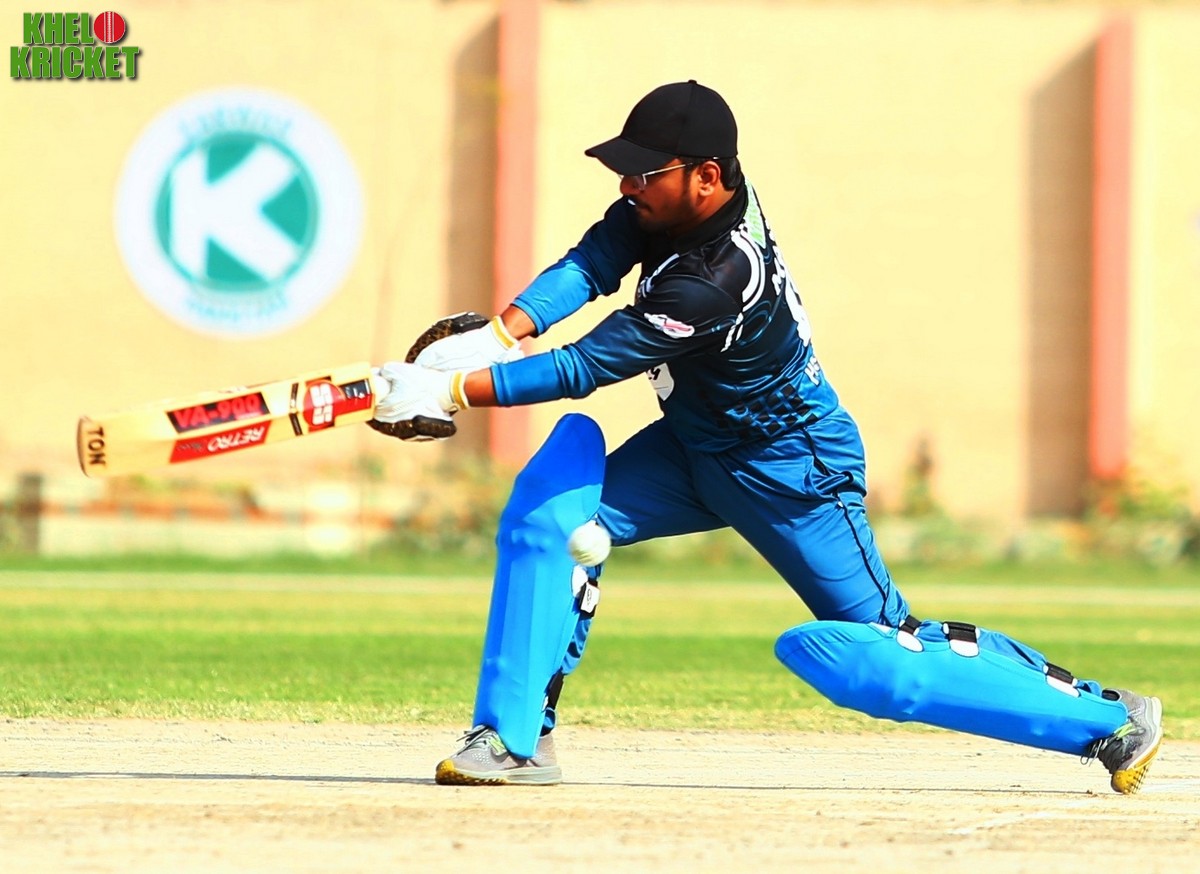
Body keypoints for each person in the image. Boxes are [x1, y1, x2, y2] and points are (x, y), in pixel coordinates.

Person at [370, 80, 1164, 793]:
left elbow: (589, 364)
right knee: (551, 520)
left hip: (791, 468)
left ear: (706, 176)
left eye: (645, 173)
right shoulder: (666, 210)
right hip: (691, 449)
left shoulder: (717, 276)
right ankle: (514, 739)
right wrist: (499, 335)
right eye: (627, 172)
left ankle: (1109, 717)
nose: (627, 186)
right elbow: (591, 262)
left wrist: (452, 389)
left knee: (884, 651)